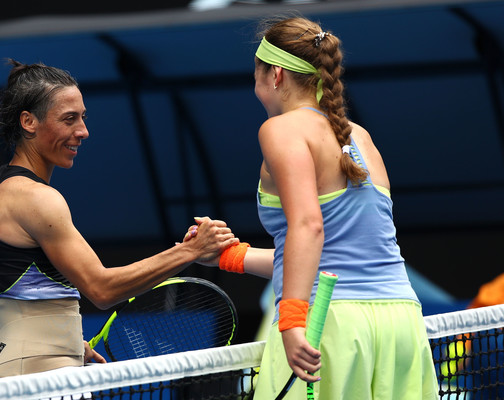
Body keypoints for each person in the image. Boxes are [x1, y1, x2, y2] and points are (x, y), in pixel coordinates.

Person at [188, 16, 439, 399]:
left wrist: (291, 321)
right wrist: (232, 257)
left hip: (330, 322)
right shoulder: (361, 138)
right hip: (401, 324)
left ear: (273, 74)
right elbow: (335, 252)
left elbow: (309, 226)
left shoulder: (281, 129)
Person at [0, 59, 237, 379]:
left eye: (82, 118)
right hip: (42, 380)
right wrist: (190, 251)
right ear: (28, 122)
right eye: (69, 119)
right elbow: (101, 289)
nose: (82, 131)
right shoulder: (37, 198)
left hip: (15, 369)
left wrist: (57, 338)